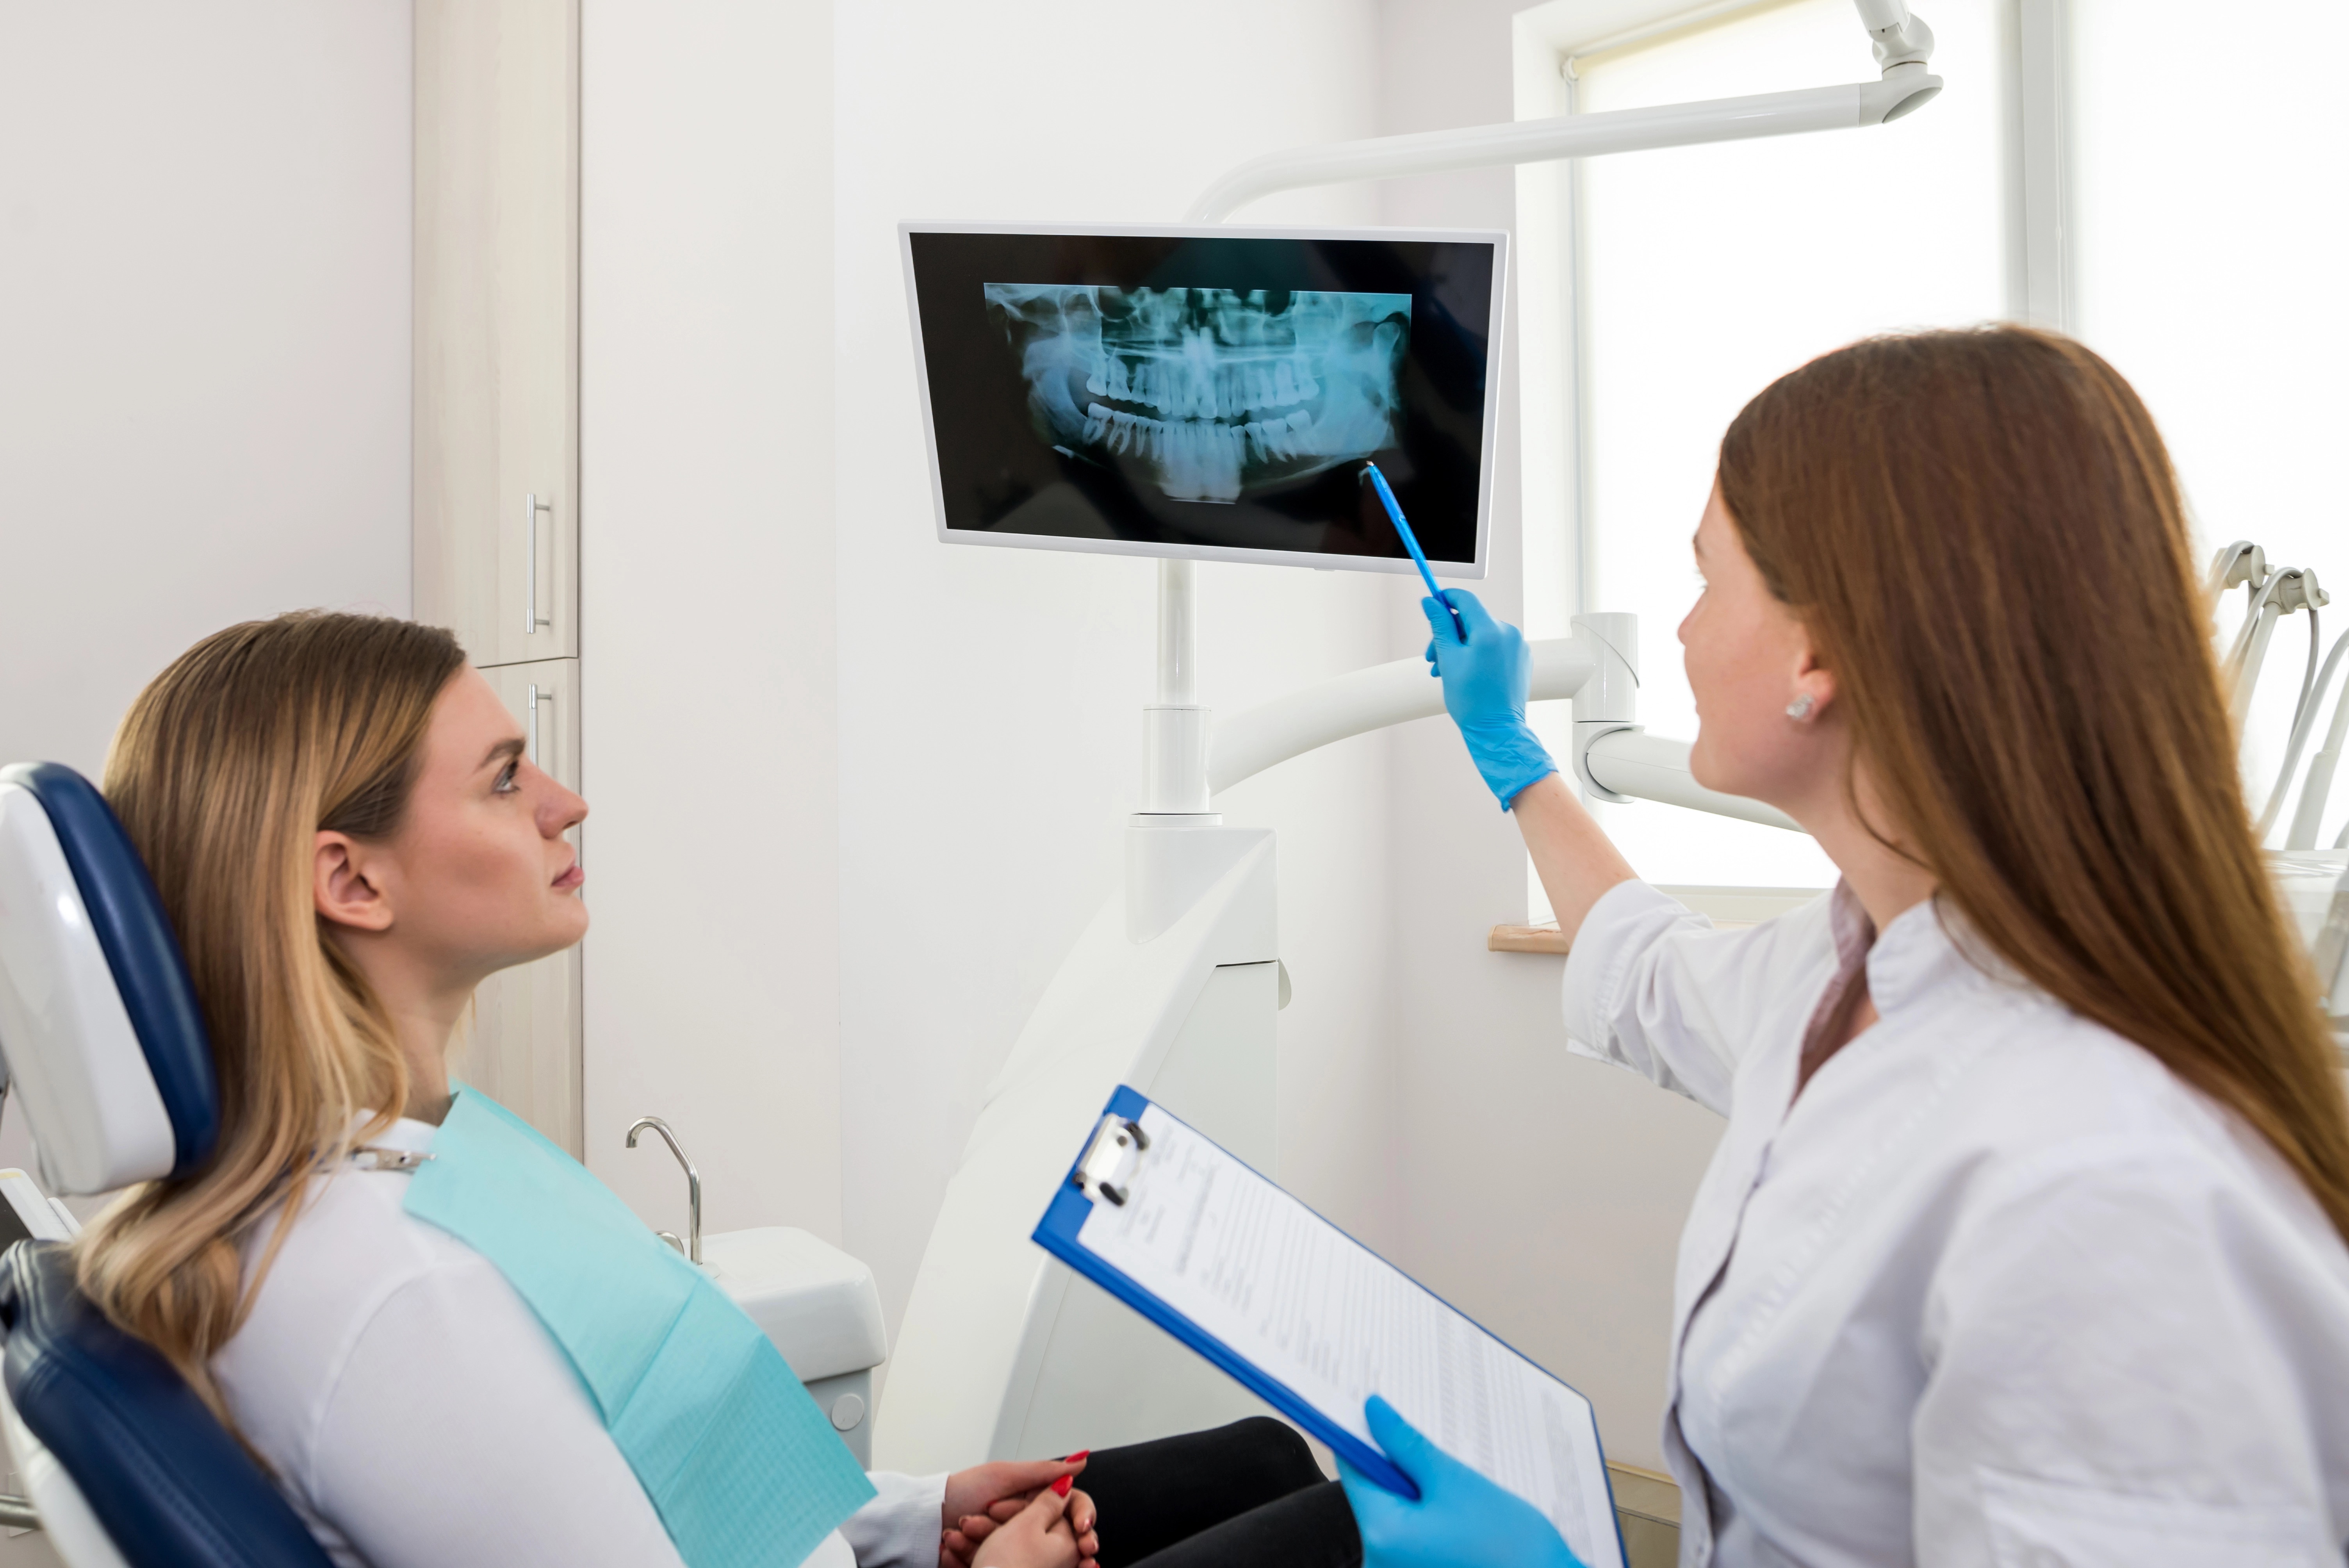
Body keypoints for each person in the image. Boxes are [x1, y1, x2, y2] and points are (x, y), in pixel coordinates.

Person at [1341, 326, 2349, 1565]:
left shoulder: (2108, 1188)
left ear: (1815, 655)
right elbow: (1648, 970)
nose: (1685, 632)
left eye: (1708, 580)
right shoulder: (1855, 969)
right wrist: (1513, 760)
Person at [73, 611, 1362, 1568]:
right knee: (1356, 1533)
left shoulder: (403, 1163)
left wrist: (919, 1518)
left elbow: (657, 1465)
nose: (567, 806)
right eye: (508, 778)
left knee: (1260, 1458)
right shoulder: (394, 1293)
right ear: (352, 883)